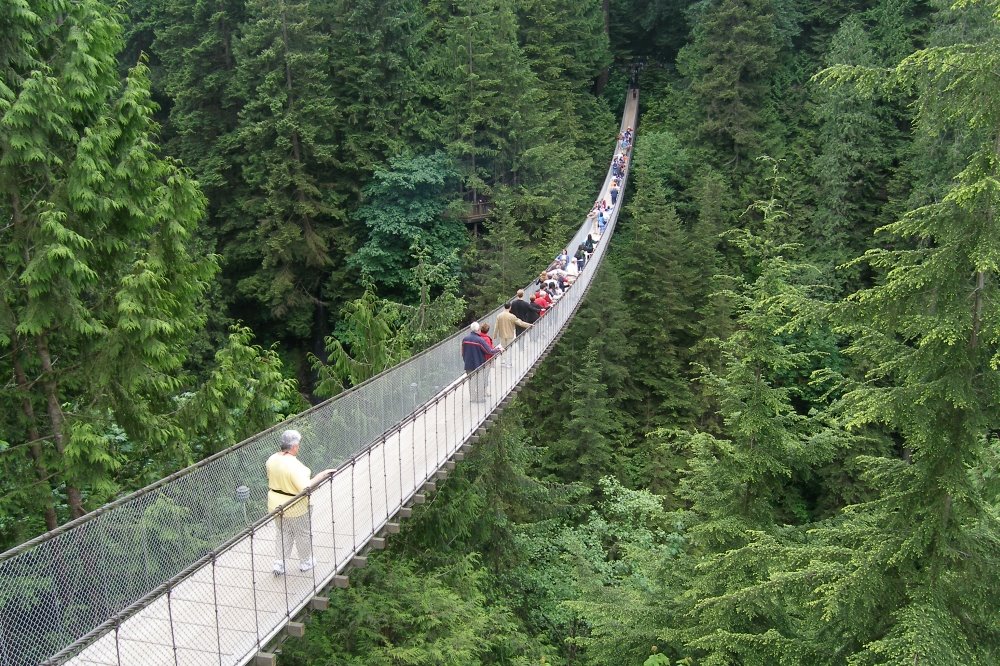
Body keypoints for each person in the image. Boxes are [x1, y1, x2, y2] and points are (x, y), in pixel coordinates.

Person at [266, 430, 336, 576]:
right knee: (302, 533)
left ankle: (280, 563)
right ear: (295, 447)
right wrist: (322, 475)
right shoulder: (294, 465)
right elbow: (306, 488)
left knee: (283, 532)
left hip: (274, 504)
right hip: (294, 505)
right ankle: (306, 561)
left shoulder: (271, 459)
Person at [462, 322, 501, 402]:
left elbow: (463, 352)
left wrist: (465, 360)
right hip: (479, 364)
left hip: (468, 364)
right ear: (478, 330)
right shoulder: (480, 340)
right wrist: (499, 350)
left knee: (471, 382)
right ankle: (480, 398)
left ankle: (472, 398)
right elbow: (489, 351)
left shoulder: (465, 339)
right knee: (480, 381)